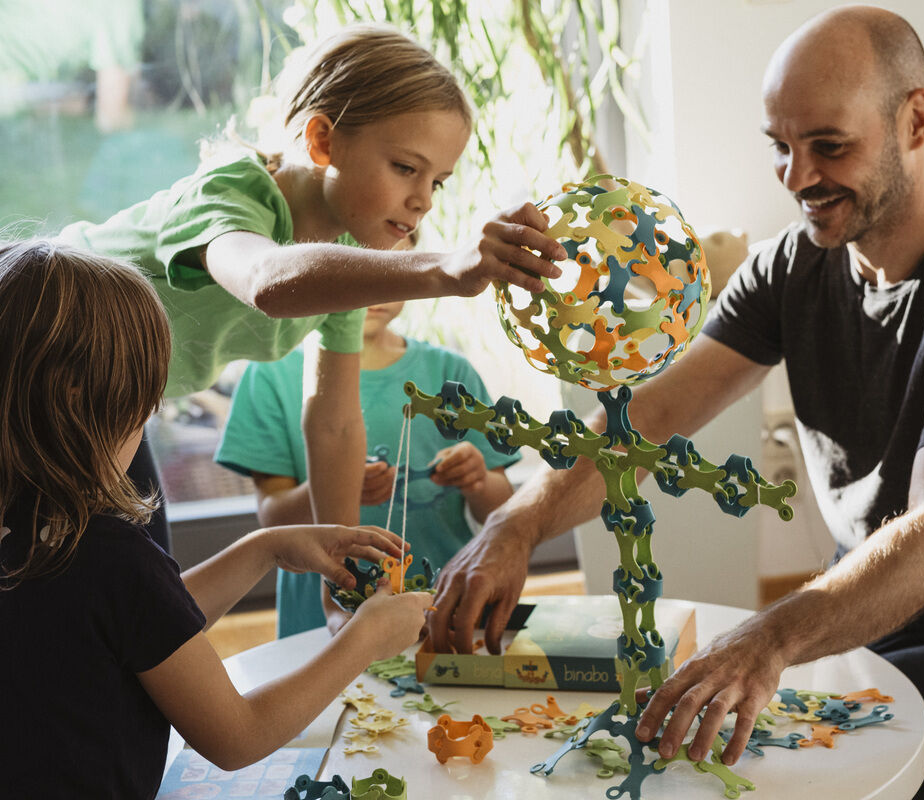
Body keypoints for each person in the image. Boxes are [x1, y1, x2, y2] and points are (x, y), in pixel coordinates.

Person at [424, 6, 924, 799]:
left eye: (829, 146)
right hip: (867, 624)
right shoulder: (794, 267)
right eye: (781, 146)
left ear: (915, 120)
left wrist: (764, 641)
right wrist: (517, 522)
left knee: (811, 782)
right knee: (725, 765)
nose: (797, 176)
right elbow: (647, 421)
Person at [55, 22, 564, 554]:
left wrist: (341, 571)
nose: (424, 202)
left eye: (435, 181)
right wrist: (445, 269)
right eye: (405, 168)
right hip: (34, 352)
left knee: (140, 593)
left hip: (111, 407)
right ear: (323, 140)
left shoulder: (342, 261)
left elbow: (334, 424)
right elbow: (265, 280)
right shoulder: (233, 190)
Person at [0, 239, 433, 798]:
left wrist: (264, 548)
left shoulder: (38, 537)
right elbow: (238, 736)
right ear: (84, 400)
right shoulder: (109, 554)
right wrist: (365, 640)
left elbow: (142, 626)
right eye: (145, 404)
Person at [215, 297, 518, 637]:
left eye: (387, 265)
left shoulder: (451, 372)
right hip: (324, 623)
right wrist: (338, 484)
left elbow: (502, 510)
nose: (371, 293)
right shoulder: (270, 374)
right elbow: (274, 519)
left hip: (444, 611)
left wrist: (478, 478)